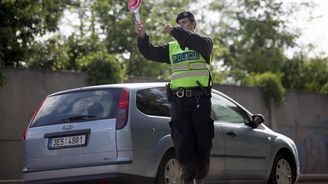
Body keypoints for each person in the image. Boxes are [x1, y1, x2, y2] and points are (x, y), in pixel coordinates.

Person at [135, 11, 214, 184]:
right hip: (179, 101)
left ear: (194, 24)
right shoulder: (172, 48)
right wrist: (142, 37)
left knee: (202, 140)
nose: (181, 26)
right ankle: (189, 177)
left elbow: (193, 40)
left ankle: (199, 177)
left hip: (200, 100)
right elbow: (150, 52)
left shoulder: (204, 43)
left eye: (184, 23)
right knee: (181, 140)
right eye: (179, 24)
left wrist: (174, 31)